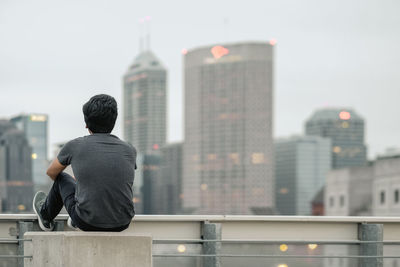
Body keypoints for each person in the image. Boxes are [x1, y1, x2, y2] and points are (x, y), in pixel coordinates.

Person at [33, 94, 137, 231]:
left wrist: (80, 185)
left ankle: (45, 215)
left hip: (87, 221)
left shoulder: (75, 146)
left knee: (61, 177)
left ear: (86, 124)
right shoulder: (129, 149)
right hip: (122, 223)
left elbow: (51, 172)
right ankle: (79, 212)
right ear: (114, 120)